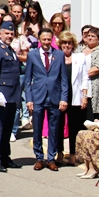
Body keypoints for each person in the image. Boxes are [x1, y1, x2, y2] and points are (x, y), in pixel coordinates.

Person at [25, 28, 69, 170]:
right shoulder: (32, 55)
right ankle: (39, 157)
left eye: (49, 39)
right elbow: (27, 79)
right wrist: (29, 99)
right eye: (43, 39)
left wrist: (64, 98)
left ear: (52, 40)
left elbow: (63, 79)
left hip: (54, 97)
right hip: (38, 96)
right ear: (39, 40)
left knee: (54, 129)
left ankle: (51, 158)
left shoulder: (59, 55)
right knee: (37, 128)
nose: (46, 42)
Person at [0, 21, 23, 173]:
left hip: (13, 95)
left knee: (8, 128)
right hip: (2, 94)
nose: (9, 36)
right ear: (0, 33)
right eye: (6, 33)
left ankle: (5, 157)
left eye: (11, 33)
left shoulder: (10, 50)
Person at [59, 31, 89, 165]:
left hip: (75, 96)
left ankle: (73, 155)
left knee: (73, 126)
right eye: (64, 43)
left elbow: (84, 78)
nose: (67, 45)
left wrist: (84, 96)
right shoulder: (57, 57)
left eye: (69, 43)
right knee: (59, 126)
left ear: (73, 45)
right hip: (60, 96)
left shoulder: (80, 57)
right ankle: (59, 153)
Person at [83, 27, 99, 118]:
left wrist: (83, 75)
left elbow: (97, 68)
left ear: (98, 39)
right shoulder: (80, 50)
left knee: (93, 115)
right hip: (82, 88)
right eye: (88, 36)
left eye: (93, 36)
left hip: (94, 88)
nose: (90, 38)